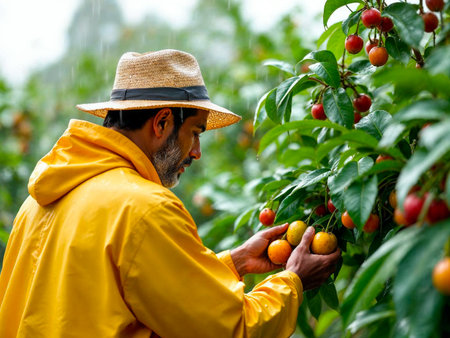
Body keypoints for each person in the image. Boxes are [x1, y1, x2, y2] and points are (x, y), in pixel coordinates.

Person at [0, 49, 340, 337]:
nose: (196, 152)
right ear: (162, 123)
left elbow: (106, 292)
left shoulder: (40, 200)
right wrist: (293, 282)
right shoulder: (145, 208)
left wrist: (233, 263)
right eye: (195, 132)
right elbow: (229, 328)